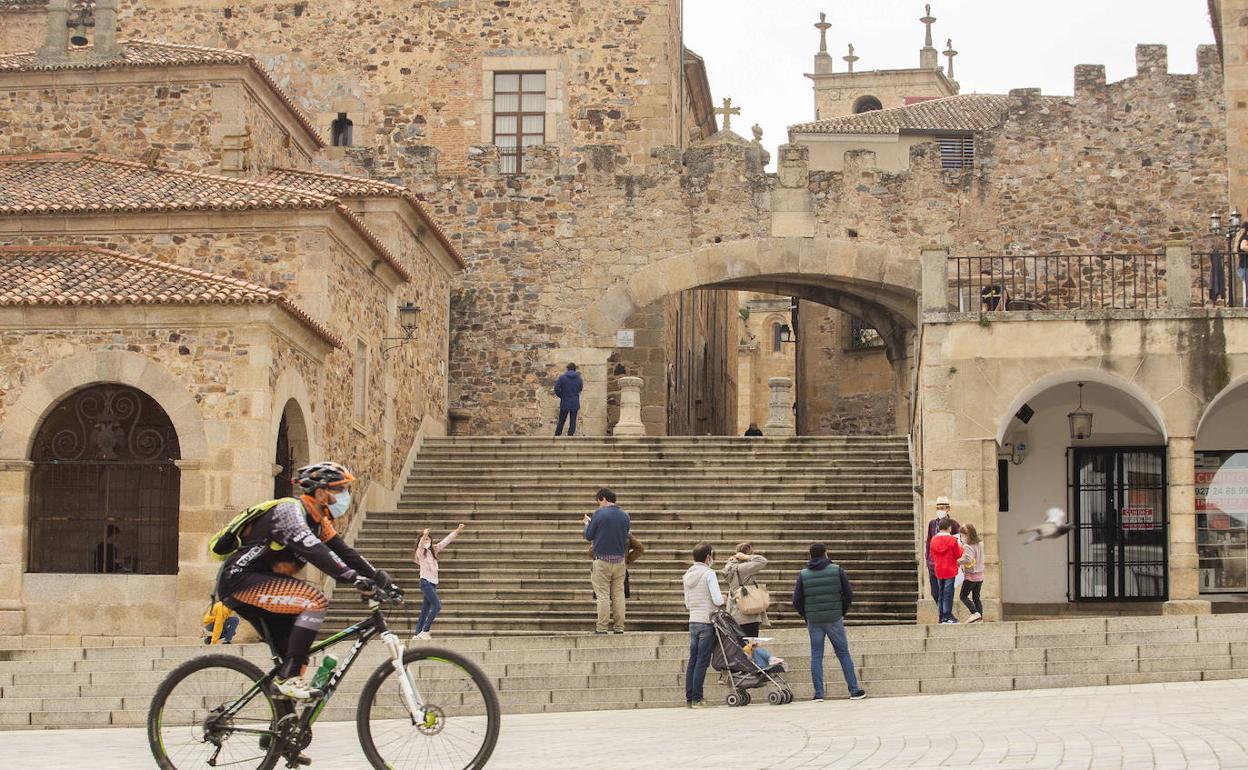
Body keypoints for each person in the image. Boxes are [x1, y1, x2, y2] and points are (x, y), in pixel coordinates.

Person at [217, 461, 389, 701]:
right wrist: (351, 578)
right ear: (320, 492)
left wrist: (380, 580)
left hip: (264, 584)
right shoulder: (290, 512)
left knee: (296, 659)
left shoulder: (319, 522)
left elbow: (346, 553)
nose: (346, 496)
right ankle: (287, 678)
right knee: (313, 600)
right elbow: (314, 550)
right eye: (340, 489)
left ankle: (283, 728)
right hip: (241, 579)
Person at [792, 542, 866, 702]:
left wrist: (807, 615)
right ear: (825, 553)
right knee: (843, 653)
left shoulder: (803, 574)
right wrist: (841, 611)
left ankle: (818, 693)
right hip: (834, 618)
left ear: (810, 555)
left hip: (814, 620)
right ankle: (854, 690)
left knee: (816, 655)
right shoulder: (837, 570)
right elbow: (849, 594)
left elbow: (796, 600)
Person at [584, 488, 630, 634]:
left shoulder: (599, 514)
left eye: (599, 501)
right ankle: (619, 627)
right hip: (619, 561)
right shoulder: (625, 516)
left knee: (603, 595)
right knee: (618, 595)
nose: (599, 505)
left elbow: (589, 535)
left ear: (603, 499)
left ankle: (602, 627)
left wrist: (587, 524)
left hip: (602, 560)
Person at [682, 541, 722, 708]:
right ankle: (698, 698)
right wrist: (724, 599)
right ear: (708, 557)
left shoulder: (687, 575)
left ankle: (690, 698)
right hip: (706, 621)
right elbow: (717, 599)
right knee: (702, 661)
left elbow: (687, 603)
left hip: (693, 621)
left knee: (693, 659)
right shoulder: (709, 574)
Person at [412, 523, 465, 640]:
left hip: (433, 583)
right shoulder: (420, 553)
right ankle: (425, 630)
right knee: (437, 605)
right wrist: (424, 534)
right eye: (424, 539)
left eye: (428, 538)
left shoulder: (434, 550)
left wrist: (457, 530)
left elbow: (446, 541)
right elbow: (420, 546)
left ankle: (417, 634)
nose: (426, 540)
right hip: (425, 582)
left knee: (425, 610)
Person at [721, 542, 768, 638]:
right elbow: (762, 561)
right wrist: (747, 557)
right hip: (748, 613)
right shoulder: (743, 568)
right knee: (751, 646)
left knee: (740, 646)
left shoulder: (730, 567)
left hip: (734, 613)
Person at [924, 496, 960, 614]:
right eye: (938, 508)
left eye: (942, 508)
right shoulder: (932, 524)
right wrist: (927, 558)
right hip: (933, 563)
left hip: (946, 564)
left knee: (946, 591)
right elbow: (929, 542)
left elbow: (957, 541)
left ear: (948, 509)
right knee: (935, 592)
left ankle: (945, 615)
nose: (940, 510)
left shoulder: (953, 524)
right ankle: (944, 613)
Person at [929, 517, 964, 624]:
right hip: (949, 569)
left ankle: (941, 616)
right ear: (949, 528)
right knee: (948, 593)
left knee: (941, 593)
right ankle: (947, 615)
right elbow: (958, 554)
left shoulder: (933, 539)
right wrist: (962, 547)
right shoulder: (952, 540)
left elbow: (932, 555)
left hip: (939, 569)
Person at [958, 522, 985, 623]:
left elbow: (968, 559)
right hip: (980, 575)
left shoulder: (967, 546)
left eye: (962, 535)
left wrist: (958, 561)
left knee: (963, 596)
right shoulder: (980, 544)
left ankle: (975, 613)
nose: (962, 537)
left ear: (967, 534)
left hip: (971, 576)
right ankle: (980, 618)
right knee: (976, 597)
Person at [554, 362, 583, 436]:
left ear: (567, 369)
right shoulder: (579, 379)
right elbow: (580, 388)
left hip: (565, 401)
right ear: (575, 369)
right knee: (573, 420)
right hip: (575, 401)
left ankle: (558, 433)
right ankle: (570, 434)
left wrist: (562, 396)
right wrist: (575, 395)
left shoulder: (562, 378)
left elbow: (557, 389)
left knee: (561, 419)